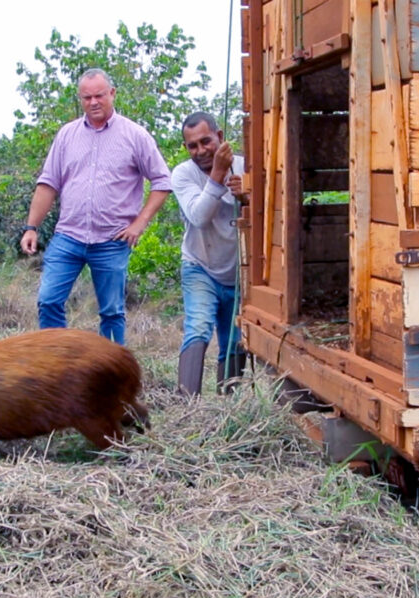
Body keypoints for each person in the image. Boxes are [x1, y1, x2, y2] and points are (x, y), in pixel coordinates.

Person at [20, 68, 171, 345]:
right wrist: (32, 227)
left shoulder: (134, 135)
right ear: (80, 99)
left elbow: (162, 181)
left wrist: (139, 224)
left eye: (99, 95)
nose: (93, 102)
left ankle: (110, 376)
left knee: (112, 312)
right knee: (48, 300)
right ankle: (58, 364)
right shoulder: (67, 135)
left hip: (112, 240)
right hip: (69, 236)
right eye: (87, 97)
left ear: (112, 94)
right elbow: (48, 183)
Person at [171, 111, 248, 396]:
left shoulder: (244, 166)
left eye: (206, 141)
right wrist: (217, 176)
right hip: (199, 266)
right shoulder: (182, 174)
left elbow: (269, 210)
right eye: (192, 146)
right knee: (199, 327)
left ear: (220, 137)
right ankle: (186, 406)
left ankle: (227, 410)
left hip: (239, 271)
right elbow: (199, 216)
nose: (201, 151)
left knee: (234, 339)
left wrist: (248, 195)